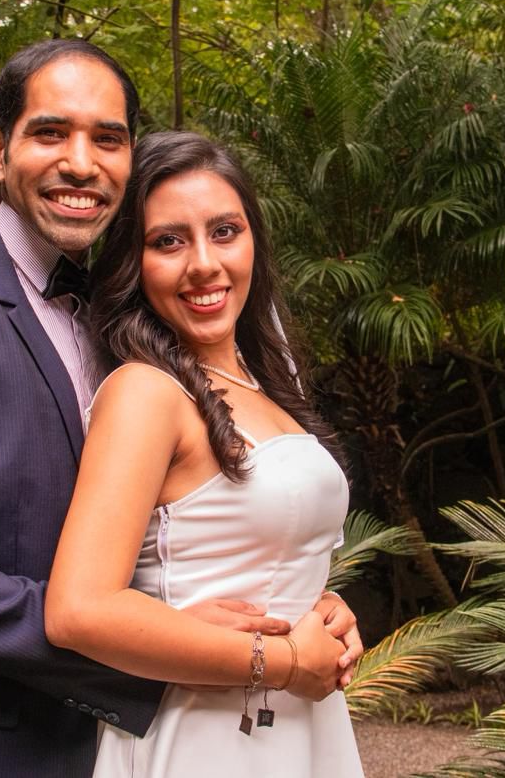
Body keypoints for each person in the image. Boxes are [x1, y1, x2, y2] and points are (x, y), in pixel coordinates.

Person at [0, 39, 360, 778]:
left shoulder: (130, 319)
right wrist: (165, 645)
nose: (81, 163)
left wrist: (298, 598)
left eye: (108, 139)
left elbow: (177, 526)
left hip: (132, 739)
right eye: (51, 132)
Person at [45, 132, 364, 776]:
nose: (204, 264)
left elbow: (252, 545)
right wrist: (284, 661)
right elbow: (78, 611)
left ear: (254, 241)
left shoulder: (265, 383)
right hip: (204, 737)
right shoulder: (144, 392)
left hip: (300, 726)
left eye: (224, 232)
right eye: (168, 241)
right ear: (133, 263)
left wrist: (320, 605)